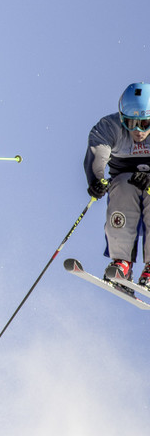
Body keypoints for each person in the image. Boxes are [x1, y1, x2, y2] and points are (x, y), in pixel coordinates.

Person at [85, 82, 150, 286]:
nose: (138, 131)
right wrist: (96, 180)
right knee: (122, 185)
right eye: (131, 123)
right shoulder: (110, 127)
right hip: (125, 185)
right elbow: (97, 154)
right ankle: (122, 263)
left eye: (145, 124)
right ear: (122, 118)